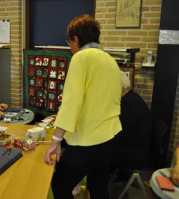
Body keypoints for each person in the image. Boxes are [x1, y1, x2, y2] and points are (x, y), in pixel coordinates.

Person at [44, 14, 122, 199]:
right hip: (111, 136)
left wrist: (56, 140)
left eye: (69, 42)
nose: (70, 47)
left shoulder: (81, 58)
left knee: (60, 185)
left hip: (89, 141)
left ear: (76, 40)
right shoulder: (109, 60)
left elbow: (71, 102)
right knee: (98, 188)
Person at [110, 71, 152, 170]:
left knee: (96, 155)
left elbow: (116, 133)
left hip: (132, 155)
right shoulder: (131, 97)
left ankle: (97, 184)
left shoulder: (128, 105)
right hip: (131, 148)